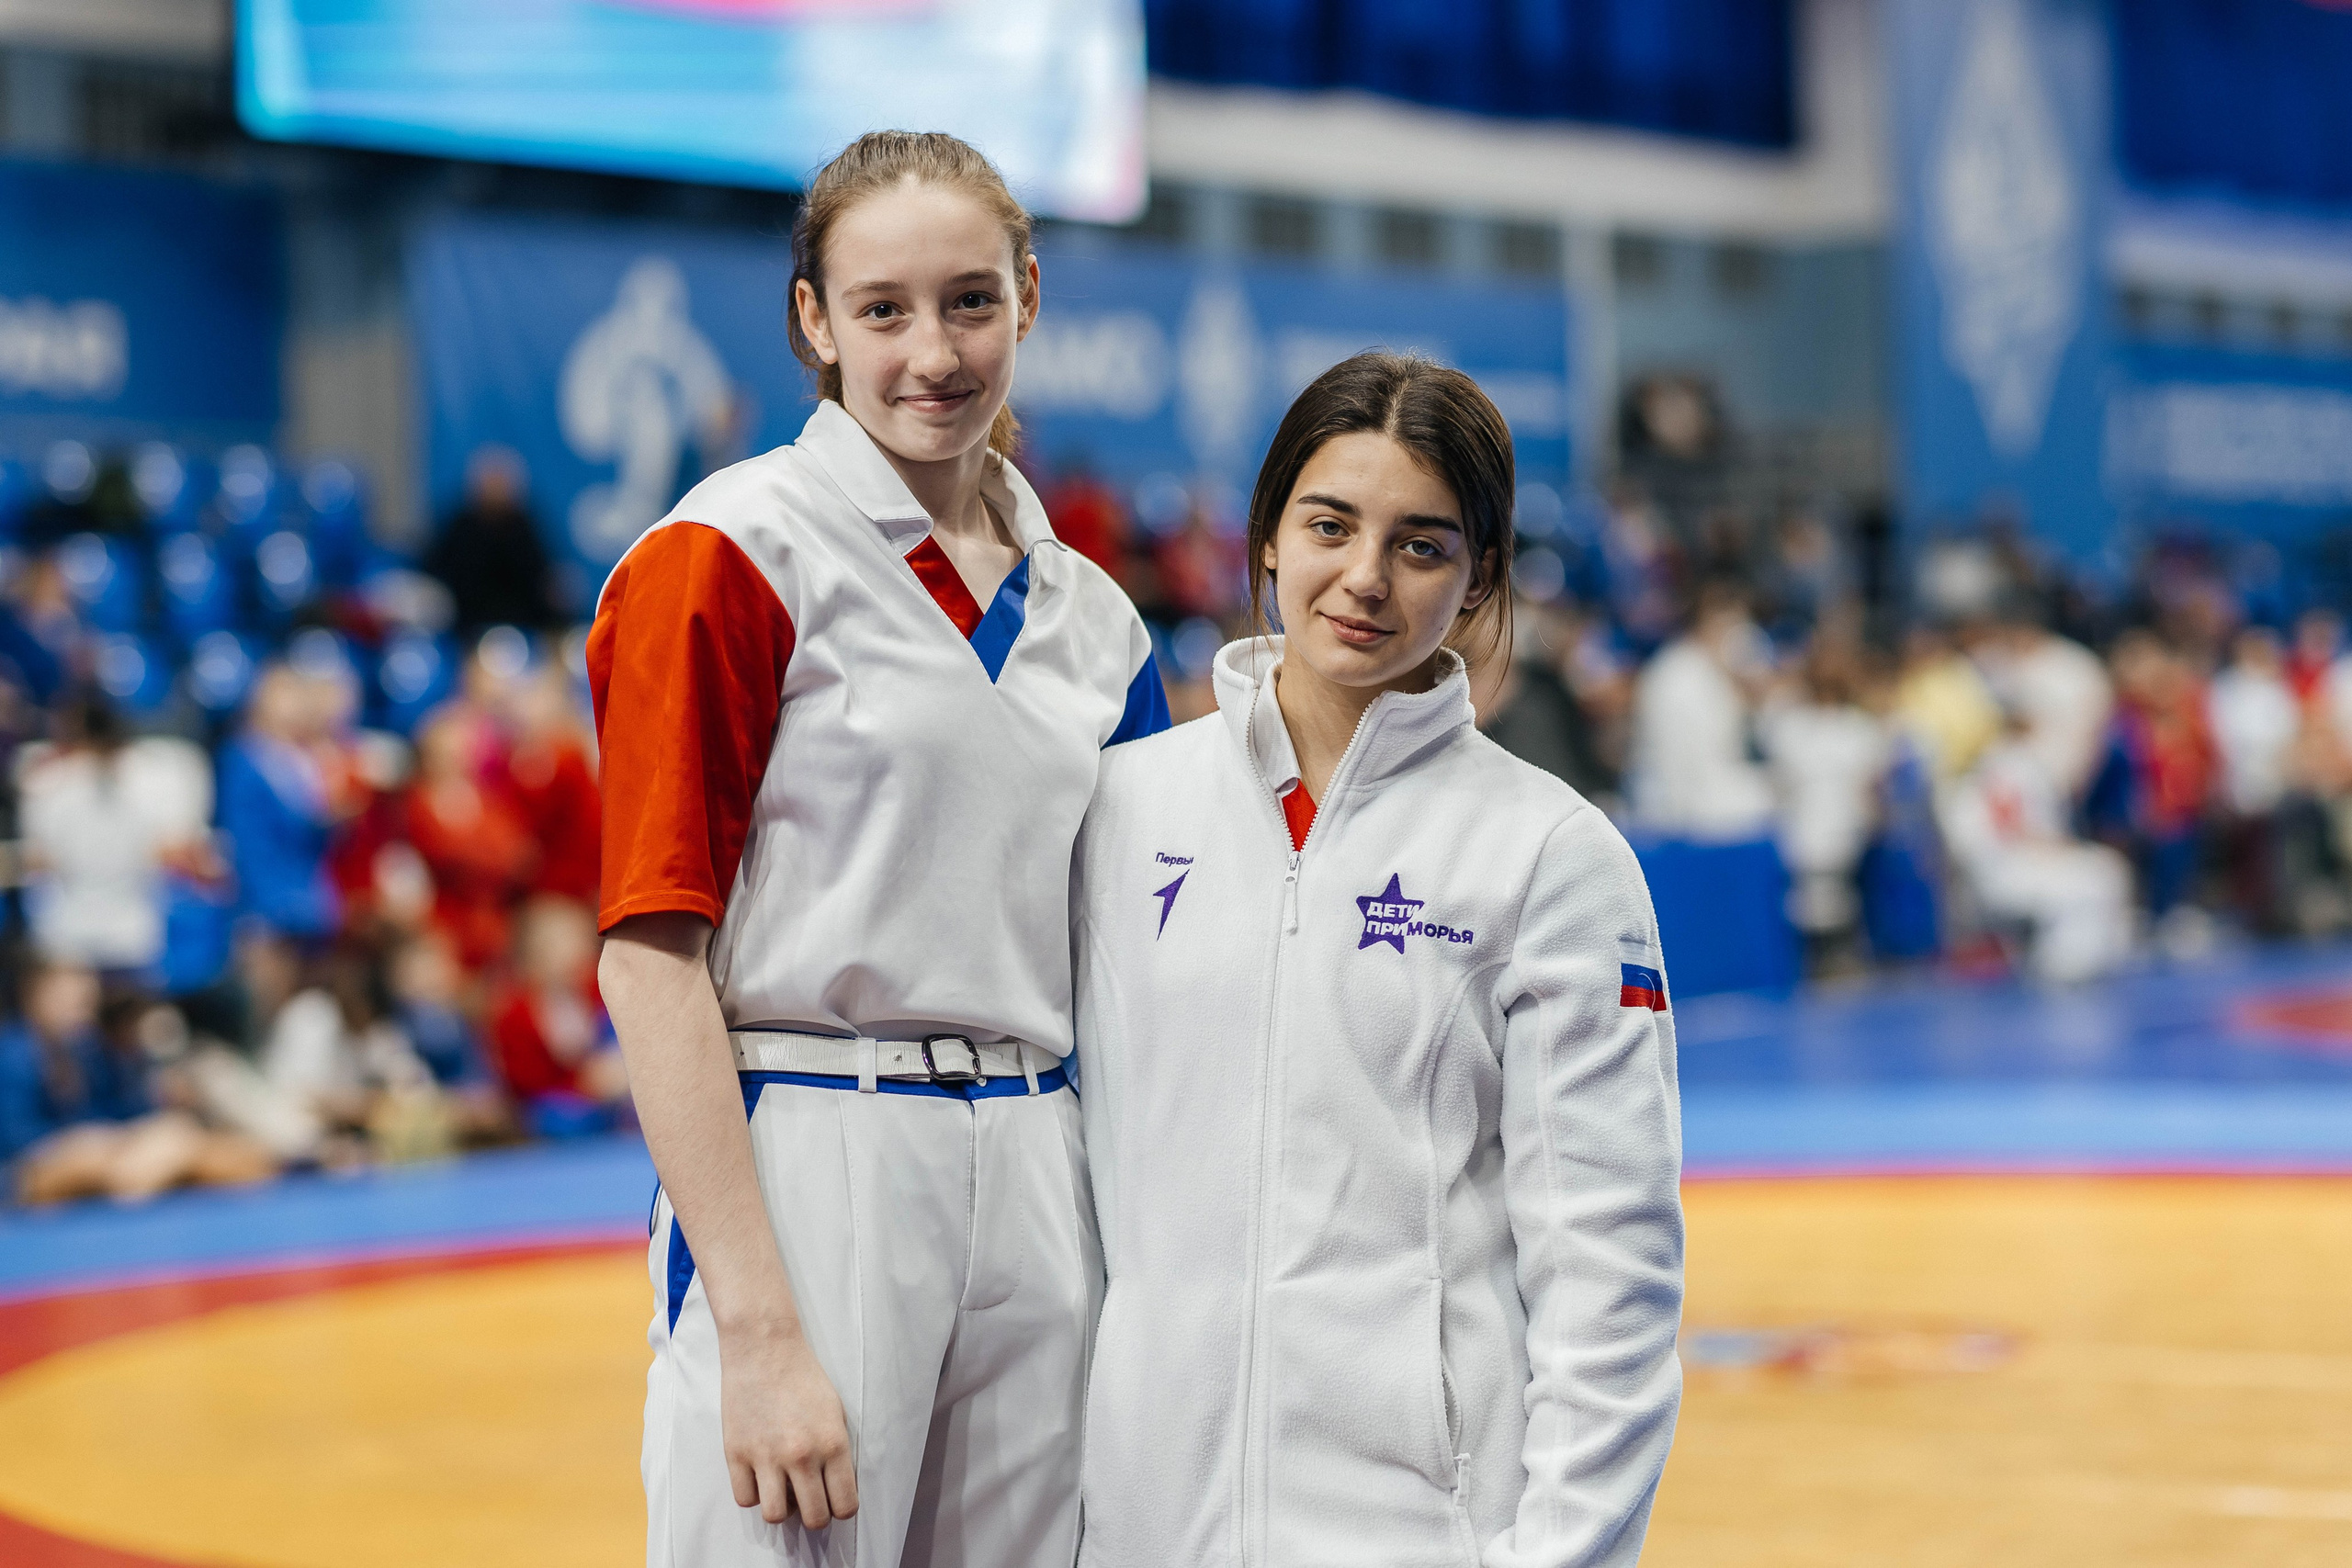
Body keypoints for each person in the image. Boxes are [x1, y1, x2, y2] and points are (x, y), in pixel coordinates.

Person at [590, 130, 1167, 1568]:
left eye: (971, 301)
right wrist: (757, 1326)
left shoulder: (1099, 621)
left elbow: (1144, 973)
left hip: (1045, 1158)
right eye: (883, 308)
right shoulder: (730, 550)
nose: (933, 352)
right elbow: (650, 957)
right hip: (811, 1142)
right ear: (814, 321)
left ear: (1029, 296)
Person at [1070, 354, 1683, 1567]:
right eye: (1329, 525)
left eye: (1419, 544)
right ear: (1265, 537)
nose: (1363, 576)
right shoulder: (1120, 807)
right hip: (1143, 1526)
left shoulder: (1549, 854)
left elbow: (1608, 1268)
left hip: (1421, 1531)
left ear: (1480, 576)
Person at [426, 445, 564, 633]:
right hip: (467, 626)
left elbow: (542, 575)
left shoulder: (524, 527)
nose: (496, 489)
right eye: (491, 482)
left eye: (501, 482)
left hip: (524, 625)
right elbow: (438, 571)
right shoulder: (461, 526)